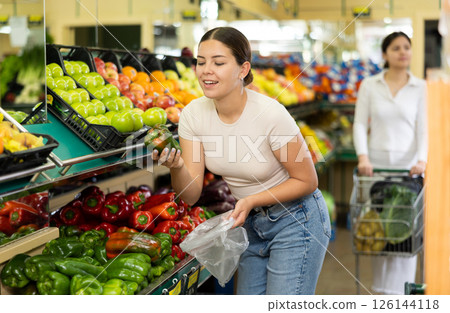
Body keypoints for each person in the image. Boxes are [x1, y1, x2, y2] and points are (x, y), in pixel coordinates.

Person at [152, 26, 330, 295]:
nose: (206, 70)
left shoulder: (271, 114)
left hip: (297, 219)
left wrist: (251, 200)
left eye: (218, 62)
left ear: (243, 69)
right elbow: (190, 195)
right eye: (201, 62)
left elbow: (307, 180)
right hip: (249, 224)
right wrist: (177, 167)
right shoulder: (192, 115)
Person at [353, 31, 427, 295]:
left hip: (409, 172)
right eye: (396, 48)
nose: (402, 52)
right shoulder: (369, 85)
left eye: (407, 47)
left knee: (407, 234)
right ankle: (381, 292)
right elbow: (360, 124)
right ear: (385, 54)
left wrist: (422, 160)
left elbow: (424, 128)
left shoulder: (421, 87)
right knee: (381, 233)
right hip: (376, 170)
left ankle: (403, 293)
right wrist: (363, 157)